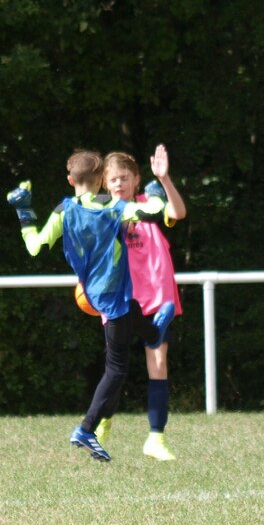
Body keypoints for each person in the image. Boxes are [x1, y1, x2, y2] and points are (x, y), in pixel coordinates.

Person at [6, 149, 175, 462]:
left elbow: (34, 247)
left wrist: (24, 211)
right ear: (101, 180)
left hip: (92, 293)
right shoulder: (112, 206)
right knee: (116, 369)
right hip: (113, 298)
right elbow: (153, 211)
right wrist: (154, 191)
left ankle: (153, 332)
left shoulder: (63, 210)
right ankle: (86, 429)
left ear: (70, 180)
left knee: (137, 314)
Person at [94, 145, 186, 461]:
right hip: (121, 298)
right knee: (116, 369)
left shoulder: (150, 203)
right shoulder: (102, 210)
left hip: (157, 297)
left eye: (125, 177)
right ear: (105, 184)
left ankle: (156, 439)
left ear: (136, 180)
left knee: (158, 365)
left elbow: (178, 213)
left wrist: (164, 179)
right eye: (113, 179)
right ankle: (103, 420)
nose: (119, 183)